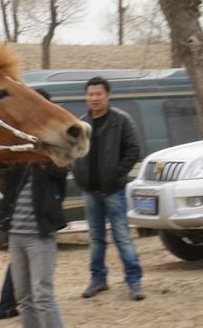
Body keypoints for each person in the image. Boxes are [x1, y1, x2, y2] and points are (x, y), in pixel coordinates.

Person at [0, 88, 67, 328]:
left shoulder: (58, 147)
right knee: (23, 298)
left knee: (43, 295)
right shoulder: (18, 146)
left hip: (41, 234)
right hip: (16, 234)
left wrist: (43, 146)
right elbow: (0, 170)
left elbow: (61, 170)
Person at [72, 76, 145, 301]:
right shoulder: (82, 123)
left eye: (98, 94)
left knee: (123, 237)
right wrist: (79, 175)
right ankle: (98, 280)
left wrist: (116, 173)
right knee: (96, 238)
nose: (94, 98)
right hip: (90, 191)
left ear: (108, 95)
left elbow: (133, 150)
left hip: (114, 190)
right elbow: (74, 153)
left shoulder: (121, 121)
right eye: (90, 94)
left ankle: (134, 281)